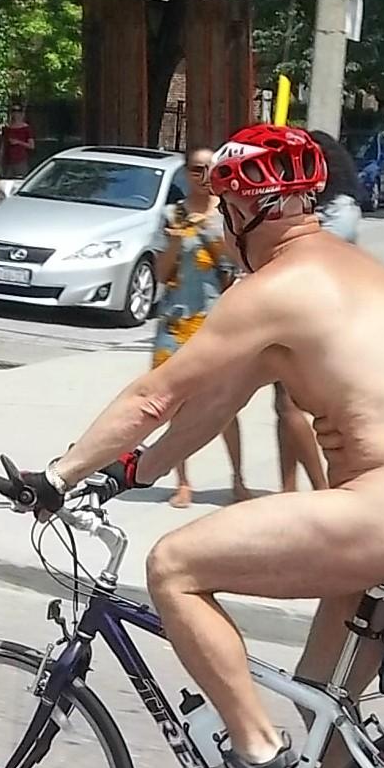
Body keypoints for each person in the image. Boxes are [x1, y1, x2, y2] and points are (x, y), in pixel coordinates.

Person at [9, 121, 384, 768]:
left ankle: (258, 753)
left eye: (225, 209)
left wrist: (58, 474)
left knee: (174, 566)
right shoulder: (354, 271)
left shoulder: (275, 288)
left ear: (242, 212)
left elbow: (153, 397)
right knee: (326, 703)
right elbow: (211, 404)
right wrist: (127, 472)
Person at [151, 146, 247, 508]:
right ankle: (182, 482)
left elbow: (240, 267)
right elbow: (162, 274)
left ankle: (238, 479)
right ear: (185, 173)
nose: (204, 177)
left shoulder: (229, 216)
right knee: (175, 406)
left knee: (225, 407)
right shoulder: (172, 215)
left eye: (211, 169)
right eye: (196, 169)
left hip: (218, 323)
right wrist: (175, 242)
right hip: (177, 322)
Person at [275, 129, 363, 494]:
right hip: (290, 310)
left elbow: (312, 255)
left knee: (297, 406)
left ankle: (321, 487)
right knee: (283, 406)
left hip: (322, 317)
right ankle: (288, 488)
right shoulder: (308, 207)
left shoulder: (340, 210)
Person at [0, 103, 35, 179]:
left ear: (21, 113)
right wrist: (0, 161)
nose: (16, 113)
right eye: (13, 111)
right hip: (8, 160)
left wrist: (18, 142)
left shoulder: (26, 128)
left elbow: (31, 145)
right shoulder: (7, 128)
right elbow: (3, 146)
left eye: (18, 111)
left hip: (20, 160)